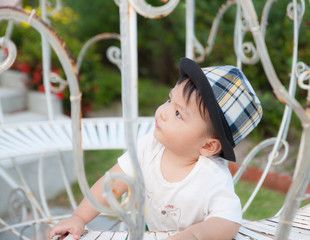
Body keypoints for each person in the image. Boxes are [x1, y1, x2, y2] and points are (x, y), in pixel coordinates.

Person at [49, 57, 262, 240]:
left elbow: (228, 221)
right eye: (169, 100)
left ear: (207, 146)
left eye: (178, 113)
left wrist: (194, 235)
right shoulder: (149, 147)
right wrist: (79, 217)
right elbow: (112, 183)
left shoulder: (211, 176)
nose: (162, 112)